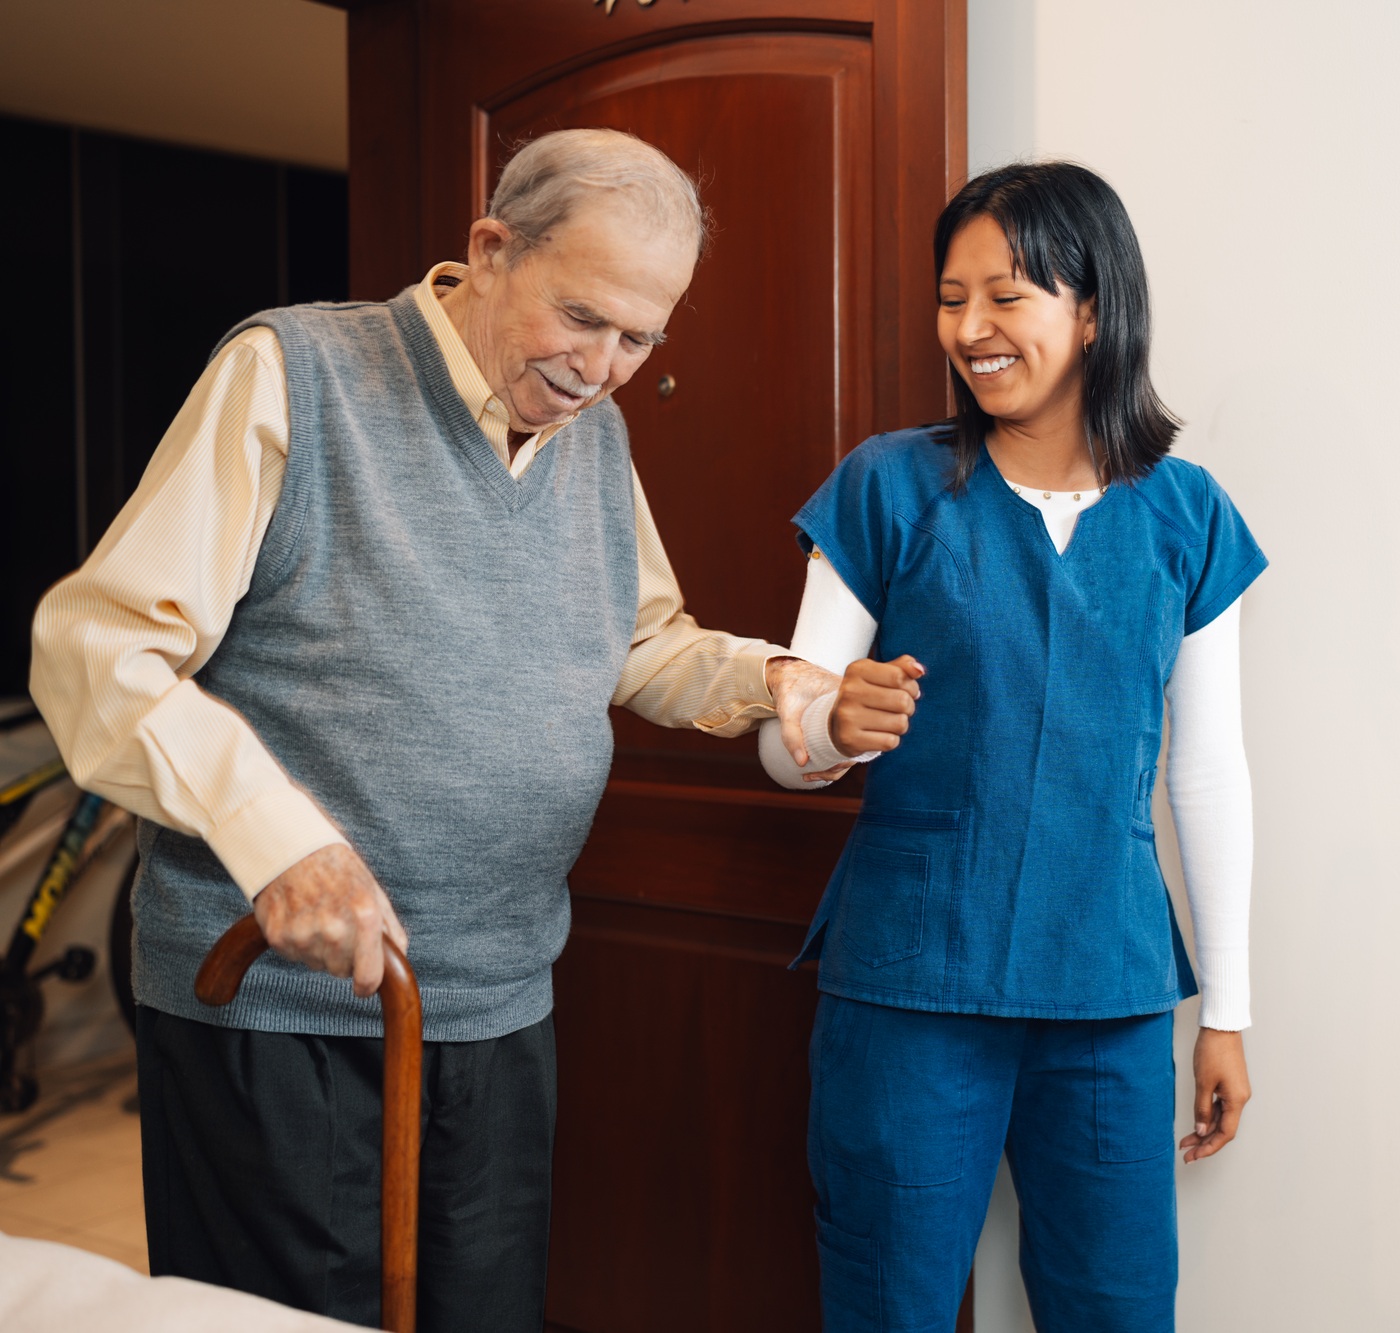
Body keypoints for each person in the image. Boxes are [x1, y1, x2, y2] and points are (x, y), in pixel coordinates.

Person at [30, 128, 838, 1331]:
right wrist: (277, 841)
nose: (605, 367)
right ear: (489, 249)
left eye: (641, 337)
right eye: (582, 316)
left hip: (496, 996)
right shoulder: (294, 370)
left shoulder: (593, 437)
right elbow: (99, 651)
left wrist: (781, 680)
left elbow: (635, 641)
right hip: (278, 1005)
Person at [759, 161, 1267, 1332]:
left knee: (1117, 1302)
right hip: (907, 981)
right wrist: (830, 728)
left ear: (1092, 309)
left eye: (1006, 295)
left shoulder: (1186, 514)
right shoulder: (887, 486)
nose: (970, 329)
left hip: (1110, 986)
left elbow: (1205, 768)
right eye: (951, 298)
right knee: (888, 1298)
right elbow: (789, 738)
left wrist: (1227, 1010)